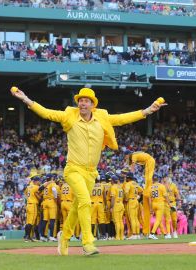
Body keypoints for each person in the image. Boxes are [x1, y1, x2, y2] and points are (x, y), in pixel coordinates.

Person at [11, 87, 166, 255]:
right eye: (80, 100)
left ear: (93, 104)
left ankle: (64, 237)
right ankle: (87, 243)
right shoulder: (69, 115)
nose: (82, 103)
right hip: (73, 170)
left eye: (86, 101)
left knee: (78, 207)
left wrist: (148, 110)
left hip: (91, 172)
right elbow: (47, 113)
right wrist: (26, 99)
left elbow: (122, 118)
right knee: (85, 201)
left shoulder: (101, 117)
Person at [125, 151, 155, 236]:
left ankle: (135, 234)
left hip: (131, 201)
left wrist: (131, 171)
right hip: (149, 161)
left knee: (133, 218)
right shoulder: (135, 184)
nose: (126, 158)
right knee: (138, 218)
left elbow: (133, 165)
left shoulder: (133, 156)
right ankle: (139, 234)